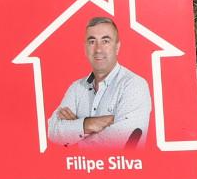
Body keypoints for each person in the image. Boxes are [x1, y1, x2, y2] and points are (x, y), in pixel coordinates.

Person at [46, 15, 151, 148]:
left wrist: (77, 128)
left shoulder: (134, 85)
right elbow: (53, 132)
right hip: (83, 168)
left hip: (122, 168)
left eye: (105, 41)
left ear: (117, 47)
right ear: (85, 48)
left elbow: (123, 142)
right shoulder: (76, 88)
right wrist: (90, 124)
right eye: (92, 41)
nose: (98, 49)